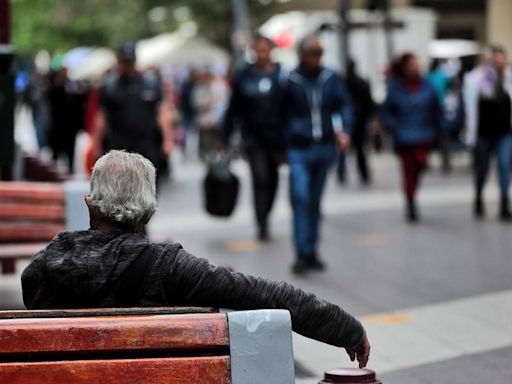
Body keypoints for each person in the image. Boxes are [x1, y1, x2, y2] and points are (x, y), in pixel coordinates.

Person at [21, 150, 370, 369]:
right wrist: (346, 328)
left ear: (89, 204)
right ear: (148, 214)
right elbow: (265, 295)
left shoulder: (40, 270)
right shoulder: (169, 267)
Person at [283, 36, 353, 274]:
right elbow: (280, 113)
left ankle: (312, 249)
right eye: (313, 52)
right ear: (302, 54)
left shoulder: (331, 77)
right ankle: (301, 251)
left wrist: (344, 129)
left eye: (320, 52)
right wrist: (285, 140)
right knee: (300, 197)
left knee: (315, 200)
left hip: (324, 146)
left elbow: (344, 104)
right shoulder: (290, 79)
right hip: (299, 148)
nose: (317, 57)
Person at [223, 34, 287, 241]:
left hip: (276, 139)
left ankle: (267, 212)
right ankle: (261, 222)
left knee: (274, 179)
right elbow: (233, 108)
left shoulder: (281, 75)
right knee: (260, 178)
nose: (261, 53)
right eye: (258, 50)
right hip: (253, 138)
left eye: (265, 49)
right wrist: (225, 137)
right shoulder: (245, 75)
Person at [93, 42, 173, 175]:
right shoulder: (110, 87)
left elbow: (162, 113)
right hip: (118, 147)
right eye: (123, 61)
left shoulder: (150, 83)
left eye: (129, 61)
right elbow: (101, 117)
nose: (126, 65)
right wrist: (96, 145)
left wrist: (168, 140)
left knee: (148, 185)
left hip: (145, 144)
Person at [380, 52, 441, 223]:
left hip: (423, 135)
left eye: (417, 64)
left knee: (420, 166)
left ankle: (412, 194)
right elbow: (386, 112)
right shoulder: (395, 87)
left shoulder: (427, 85)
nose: (415, 67)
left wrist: (438, 128)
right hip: (405, 136)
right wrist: (395, 128)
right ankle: (410, 200)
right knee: (408, 171)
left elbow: (436, 108)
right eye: (412, 64)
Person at [463, 45, 512, 221]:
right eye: (495, 59)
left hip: (505, 133)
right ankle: (478, 196)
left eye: (502, 58)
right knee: (482, 169)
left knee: (505, 166)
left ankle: (504, 203)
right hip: (483, 134)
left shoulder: (509, 79)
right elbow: (469, 109)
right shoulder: (476, 79)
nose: (500, 62)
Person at [336, 58, 376, 185]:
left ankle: (343, 173)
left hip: (352, 120)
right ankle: (362, 173)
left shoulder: (342, 83)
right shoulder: (356, 83)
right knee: (358, 149)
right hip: (358, 120)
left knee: (346, 148)